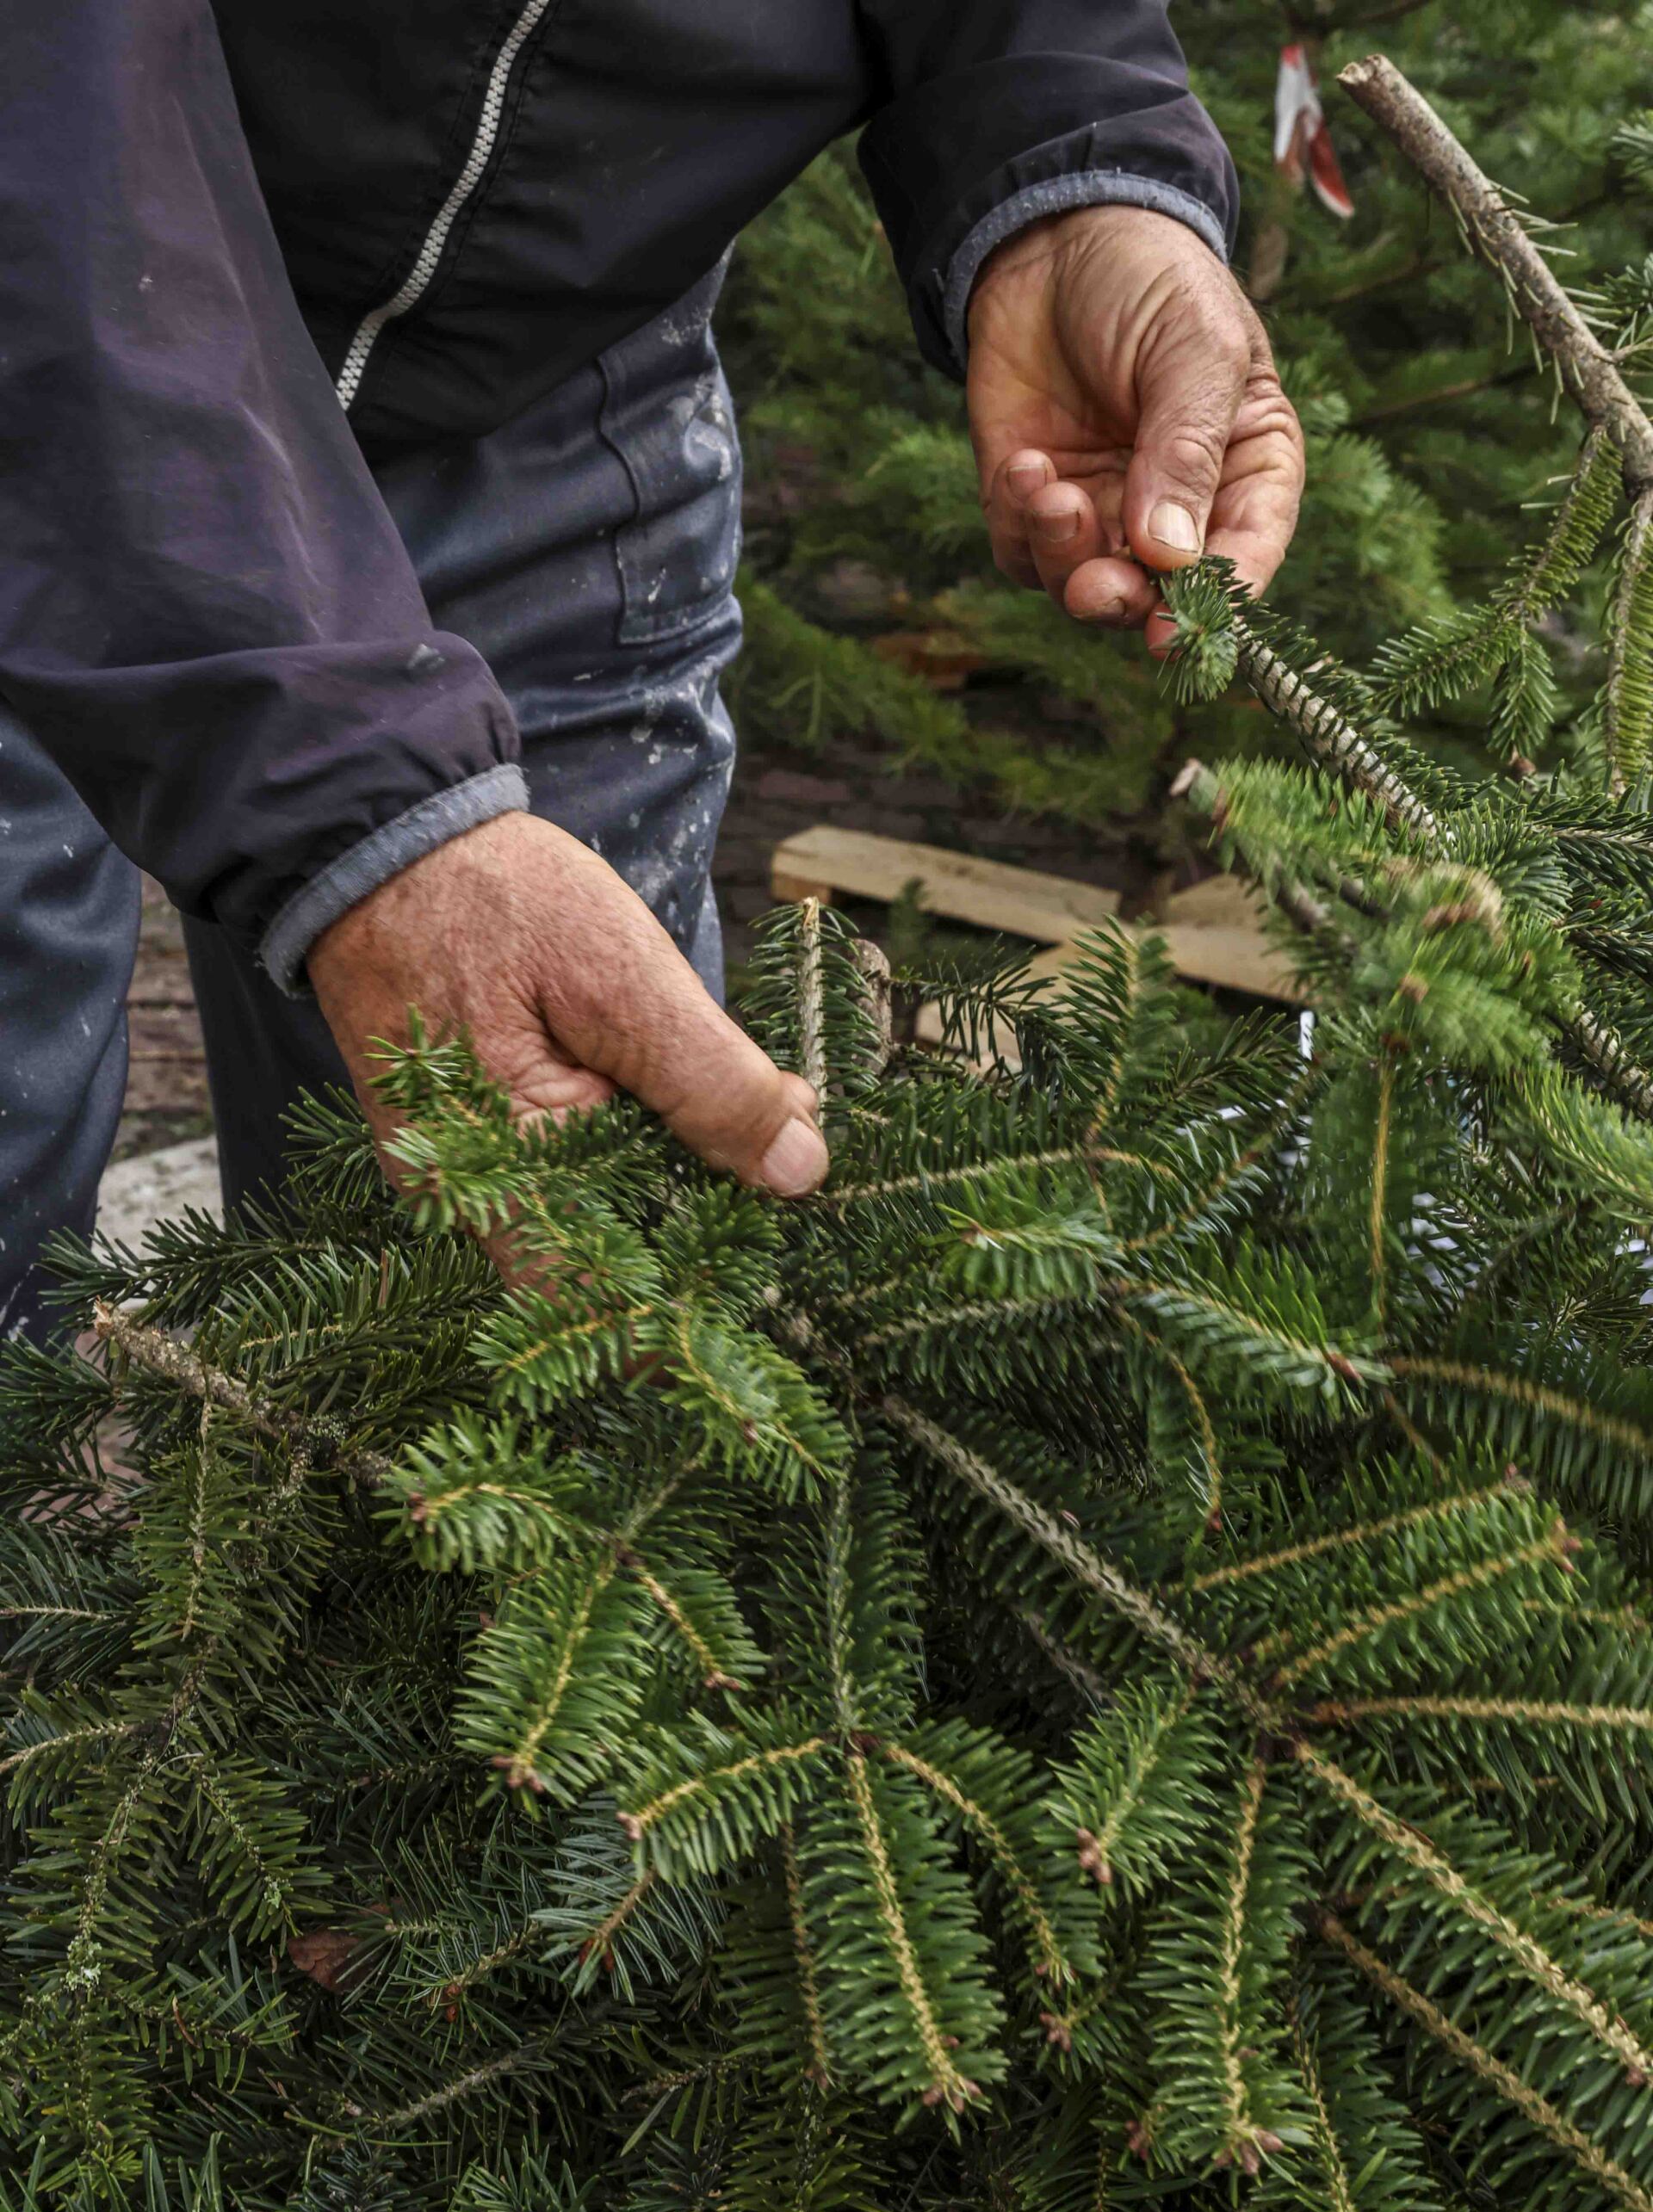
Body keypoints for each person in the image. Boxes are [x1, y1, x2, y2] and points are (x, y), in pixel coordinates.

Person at [0, 0, 1304, 1335]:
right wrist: (353, 807)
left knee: (551, 1319)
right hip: (44, 286)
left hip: (546, 354)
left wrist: (1077, 163)